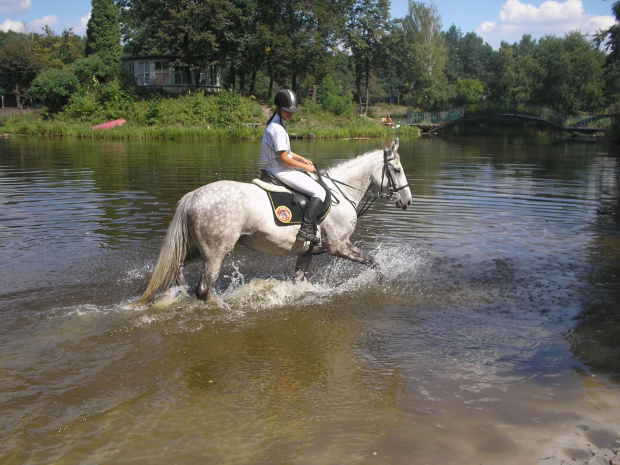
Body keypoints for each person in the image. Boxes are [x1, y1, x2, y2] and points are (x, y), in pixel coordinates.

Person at [262, 89, 326, 244]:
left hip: (277, 168)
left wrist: (303, 159)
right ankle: (306, 230)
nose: (289, 113)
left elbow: (287, 152)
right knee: (320, 191)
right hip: (281, 170)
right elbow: (284, 159)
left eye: (292, 111)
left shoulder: (277, 124)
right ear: (278, 108)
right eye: (286, 110)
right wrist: (306, 168)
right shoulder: (277, 129)